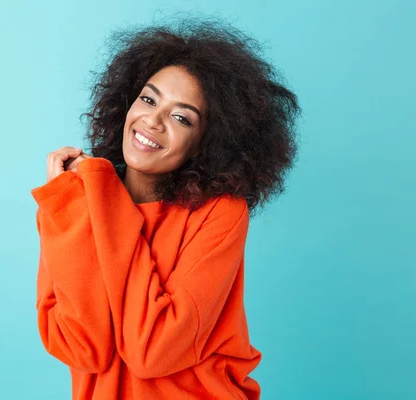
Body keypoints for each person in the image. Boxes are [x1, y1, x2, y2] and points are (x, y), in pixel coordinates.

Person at [31, 17, 299, 400]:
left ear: (206, 142)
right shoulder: (74, 202)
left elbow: (152, 352)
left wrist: (103, 203)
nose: (152, 121)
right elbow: (83, 348)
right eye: (148, 98)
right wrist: (73, 205)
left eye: (180, 117)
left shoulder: (220, 213)